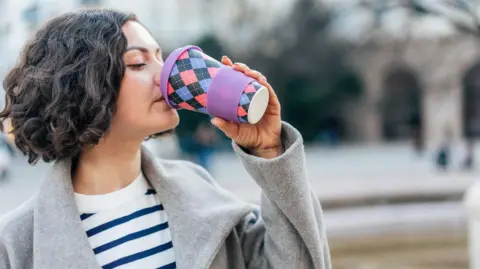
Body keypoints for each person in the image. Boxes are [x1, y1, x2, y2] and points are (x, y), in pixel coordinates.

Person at [0, 10, 331, 269]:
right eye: (139, 62)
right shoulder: (17, 244)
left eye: (161, 57)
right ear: (81, 86)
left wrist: (269, 149)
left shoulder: (201, 193)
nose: (165, 75)